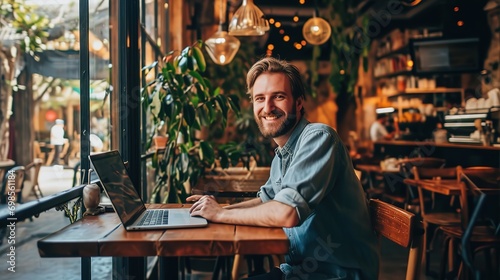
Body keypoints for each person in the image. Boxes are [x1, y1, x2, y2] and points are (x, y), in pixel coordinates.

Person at [188, 57, 380, 279]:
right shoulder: (283, 152)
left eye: (278, 97)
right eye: (260, 98)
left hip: (337, 274)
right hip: (299, 272)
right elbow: (267, 200)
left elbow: (287, 213)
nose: (267, 107)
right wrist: (212, 211)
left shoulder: (319, 138)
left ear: (298, 103)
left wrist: (220, 214)